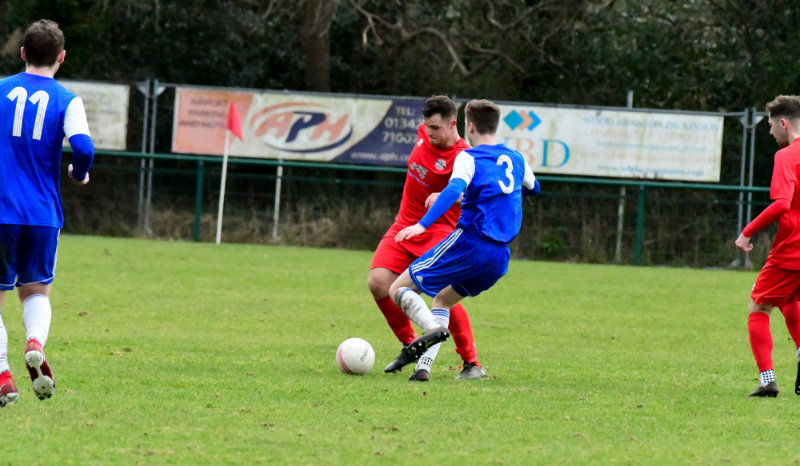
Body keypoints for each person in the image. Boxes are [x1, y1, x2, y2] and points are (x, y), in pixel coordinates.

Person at [384, 99, 540, 374]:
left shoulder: (469, 157)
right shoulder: (516, 158)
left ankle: (430, 329)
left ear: (470, 127)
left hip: (470, 243)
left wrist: (422, 225)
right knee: (443, 301)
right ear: (495, 126)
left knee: (397, 289)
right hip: (499, 258)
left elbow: (454, 188)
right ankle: (424, 368)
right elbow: (534, 187)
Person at [0, 19, 95, 407]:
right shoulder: (67, 100)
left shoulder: (1, 90)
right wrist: (79, 173)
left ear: (23, 53)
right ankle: (35, 342)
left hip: (1, 210)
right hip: (42, 214)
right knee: (36, 290)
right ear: (61, 57)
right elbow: (84, 148)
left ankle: (3, 375)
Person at [368, 95, 487, 381]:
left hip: (439, 231)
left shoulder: (464, 156)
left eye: (436, 128)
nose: (430, 132)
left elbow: (474, 195)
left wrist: (449, 196)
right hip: (404, 226)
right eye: (427, 126)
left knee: (443, 294)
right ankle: (411, 344)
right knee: (378, 283)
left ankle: (471, 362)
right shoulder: (423, 133)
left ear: (453, 124)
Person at [735, 95, 800, 398]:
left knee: (758, 307)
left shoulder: (787, 156)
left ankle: (767, 380)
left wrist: (747, 232)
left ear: (784, 123)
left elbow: (782, 204)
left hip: (792, 249)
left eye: (772, 126)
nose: (771, 132)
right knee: (788, 300)